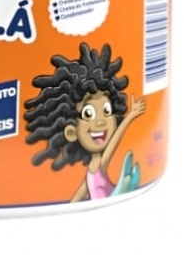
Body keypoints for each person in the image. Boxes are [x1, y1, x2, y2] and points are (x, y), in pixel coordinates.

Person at [24, 42, 145, 202]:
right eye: (88, 114)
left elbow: (113, 143)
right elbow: (80, 194)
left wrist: (130, 116)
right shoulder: (94, 168)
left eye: (107, 110)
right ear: (71, 132)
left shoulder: (99, 163)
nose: (101, 122)